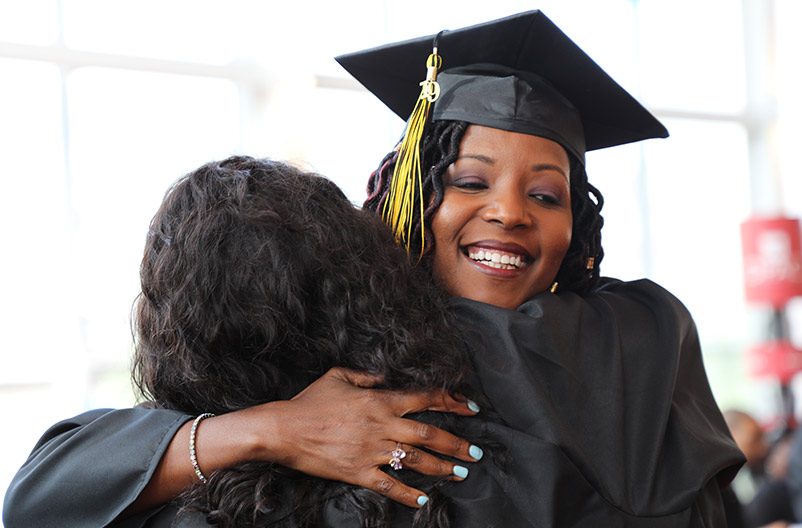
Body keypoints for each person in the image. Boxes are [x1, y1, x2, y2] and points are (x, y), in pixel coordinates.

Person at [3, 10, 744, 527]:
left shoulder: (640, 341)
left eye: (546, 194)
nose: (511, 212)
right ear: (412, 197)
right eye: (471, 180)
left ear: (575, 223)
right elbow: (44, 493)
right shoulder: (345, 356)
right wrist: (274, 429)